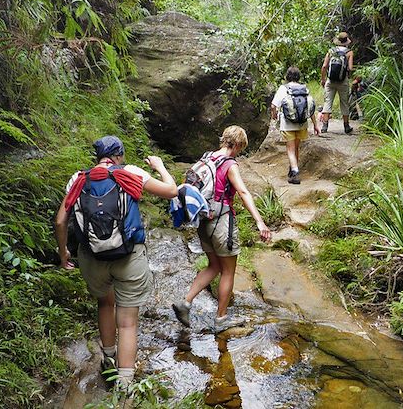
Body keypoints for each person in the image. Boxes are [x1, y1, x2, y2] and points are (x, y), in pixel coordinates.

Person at [54, 135, 177, 391]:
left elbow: (60, 222)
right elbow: (172, 191)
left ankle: (108, 358)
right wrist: (160, 166)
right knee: (128, 321)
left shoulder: (78, 179)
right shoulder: (129, 173)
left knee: (105, 303)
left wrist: (64, 253)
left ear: (97, 156)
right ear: (119, 155)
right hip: (128, 256)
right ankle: (125, 382)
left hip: (92, 258)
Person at [172, 126, 271, 332]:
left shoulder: (206, 158)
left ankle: (186, 303)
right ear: (235, 145)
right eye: (240, 149)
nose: (238, 153)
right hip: (221, 222)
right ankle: (221, 319)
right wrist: (260, 222)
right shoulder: (229, 164)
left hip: (203, 221)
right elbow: (243, 192)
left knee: (214, 266)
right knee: (228, 271)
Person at [270, 66, 320, 184]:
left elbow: (273, 105)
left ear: (287, 76)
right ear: (299, 76)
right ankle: (293, 169)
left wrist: (274, 115)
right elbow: (310, 108)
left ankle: (295, 171)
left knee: (290, 149)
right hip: (302, 124)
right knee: (296, 148)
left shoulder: (284, 88)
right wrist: (315, 125)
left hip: (288, 124)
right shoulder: (304, 89)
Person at [320, 31, 355, 134]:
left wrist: (323, 79)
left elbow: (324, 66)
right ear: (346, 41)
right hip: (343, 81)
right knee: (344, 103)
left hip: (330, 80)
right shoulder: (349, 52)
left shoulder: (331, 51)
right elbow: (350, 68)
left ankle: (325, 126)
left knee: (327, 102)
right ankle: (346, 126)